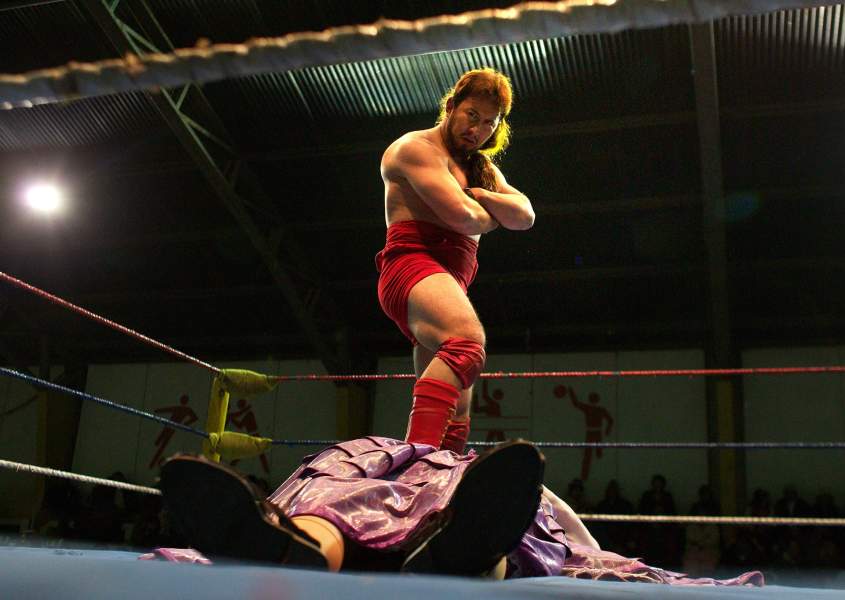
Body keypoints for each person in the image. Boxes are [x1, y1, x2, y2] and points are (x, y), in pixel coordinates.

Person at [152, 437, 763, 586]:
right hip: (390, 501)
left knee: (499, 524)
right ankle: (295, 547)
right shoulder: (376, 450)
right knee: (334, 492)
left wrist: (595, 554)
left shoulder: (482, 473)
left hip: (448, 510)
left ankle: (301, 548)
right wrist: (592, 553)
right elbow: (572, 536)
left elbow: (563, 528)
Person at [376, 68, 535, 453]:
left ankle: (439, 471)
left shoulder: (479, 169)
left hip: (448, 284)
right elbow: (462, 218)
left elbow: (526, 215)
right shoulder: (415, 149)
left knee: (457, 410)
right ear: (451, 106)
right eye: (472, 116)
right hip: (412, 266)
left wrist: (482, 196)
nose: (477, 130)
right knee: (467, 342)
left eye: (489, 123)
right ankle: (416, 465)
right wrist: (491, 213)